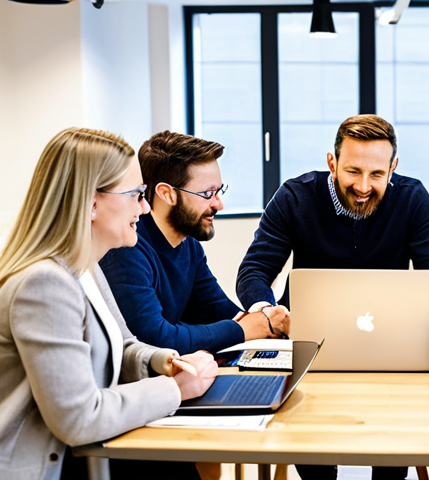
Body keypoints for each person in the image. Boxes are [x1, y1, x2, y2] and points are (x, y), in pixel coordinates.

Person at [236, 114, 429, 480]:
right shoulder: (295, 197)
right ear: (332, 162)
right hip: (309, 352)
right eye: (353, 171)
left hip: (394, 352)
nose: (364, 186)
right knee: (312, 450)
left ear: (393, 168)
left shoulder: (412, 198)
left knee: (392, 453)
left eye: (377, 174)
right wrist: (267, 312)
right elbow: (254, 270)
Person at [0, 127, 217, 480]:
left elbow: (122, 345)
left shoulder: (84, 267)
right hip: (43, 465)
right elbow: (78, 418)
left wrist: (166, 362)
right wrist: (173, 389)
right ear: (91, 203)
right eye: (136, 195)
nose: (145, 209)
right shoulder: (43, 283)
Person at [100, 131, 290, 355]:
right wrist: (242, 329)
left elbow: (215, 307)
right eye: (208, 193)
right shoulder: (126, 247)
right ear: (167, 194)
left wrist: (269, 321)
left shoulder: (188, 244)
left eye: (218, 191)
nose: (218, 205)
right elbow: (155, 338)